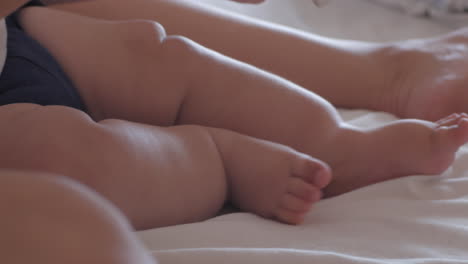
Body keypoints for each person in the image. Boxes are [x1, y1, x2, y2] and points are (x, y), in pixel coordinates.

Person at [2, 0, 468, 263]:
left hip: (18, 39)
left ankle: (335, 146)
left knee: (159, 54)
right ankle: (218, 160)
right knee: (68, 163)